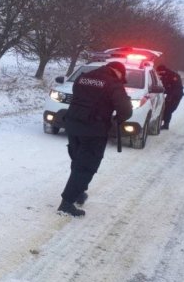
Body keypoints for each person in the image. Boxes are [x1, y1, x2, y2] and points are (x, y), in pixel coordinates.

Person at [57, 61, 133, 217]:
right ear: (118, 72)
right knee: (86, 166)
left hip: (72, 125)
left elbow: (80, 96)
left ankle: (78, 193)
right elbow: (125, 110)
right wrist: (116, 120)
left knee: (78, 161)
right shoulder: (113, 83)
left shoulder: (83, 77)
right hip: (94, 130)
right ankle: (66, 203)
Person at [156, 64, 184, 130]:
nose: (159, 74)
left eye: (159, 72)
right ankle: (163, 123)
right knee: (165, 109)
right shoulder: (164, 75)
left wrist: (170, 96)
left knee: (169, 110)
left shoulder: (174, 76)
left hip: (176, 96)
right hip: (169, 95)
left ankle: (166, 125)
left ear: (163, 70)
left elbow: (177, 87)